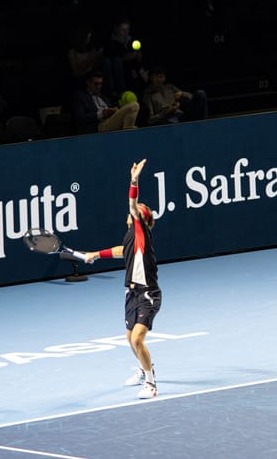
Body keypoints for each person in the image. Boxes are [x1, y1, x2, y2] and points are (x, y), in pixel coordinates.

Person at [80, 158, 161, 400]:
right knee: (129, 338)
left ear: (141, 219)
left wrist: (134, 180)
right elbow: (120, 251)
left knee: (137, 338)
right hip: (131, 293)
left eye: (137, 211)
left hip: (147, 293)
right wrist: (96, 254)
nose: (133, 211)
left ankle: (151, 384)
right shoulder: (131, 237)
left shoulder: (141, 232)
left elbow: (133, 204)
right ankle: (145, 368)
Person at [72, 70, 139, 134]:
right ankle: (128, 133)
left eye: (100, 84)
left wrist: (114, 110)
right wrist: (102, 114)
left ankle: (128, 131)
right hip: (97, 126)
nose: (99, 86)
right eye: (96, 84)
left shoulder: (103, 97)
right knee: (134, 106)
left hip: (109, 121)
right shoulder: (81, 96)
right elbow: (80, 119)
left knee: (131, 113)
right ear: (88, 83)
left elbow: (110, 109)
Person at [142, 64, 208, 126]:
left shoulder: (170, 87)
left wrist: (182, 94)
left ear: (164, 78)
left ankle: (204, 123)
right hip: (168, 119)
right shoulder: (148, 95)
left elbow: (193, 98)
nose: (159, 79)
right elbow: (150, 120)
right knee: (173, 122)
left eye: (161, 77)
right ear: (151, 78)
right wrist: (164, 113)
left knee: (200, 93)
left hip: (181, 115)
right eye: (156, 77)